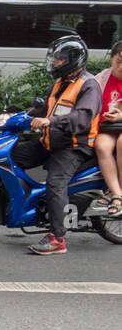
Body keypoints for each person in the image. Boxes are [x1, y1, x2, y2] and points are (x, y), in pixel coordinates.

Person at [11, 35, 103, 255]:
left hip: (74, 147)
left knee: (55, 181)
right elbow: (45, 111)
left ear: (73, 60)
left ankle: (57, 237)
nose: (54, 63)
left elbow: (81, 118)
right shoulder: (60, 83)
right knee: (10, 155)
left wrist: (49, 122)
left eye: (59, 59)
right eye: (54, 59)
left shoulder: (89, 86)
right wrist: (16, 116)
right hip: (49, 141)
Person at [91, 40, 122, 217]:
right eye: (118, 61)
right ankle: (115, 191)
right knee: (101, 146)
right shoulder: (102, 77)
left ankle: (119, 196)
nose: (121, 66)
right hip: (107, 126)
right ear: (111, 60)